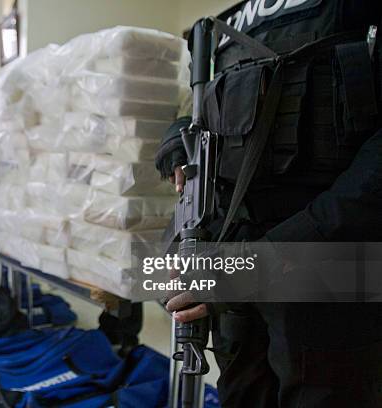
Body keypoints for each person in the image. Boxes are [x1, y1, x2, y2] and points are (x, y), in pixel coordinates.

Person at [155, 1, 382, 407]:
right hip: (234, 279)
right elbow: (219, 106)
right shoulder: (231, 20)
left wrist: (267, 260)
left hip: (327, 280)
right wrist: (181, 134)